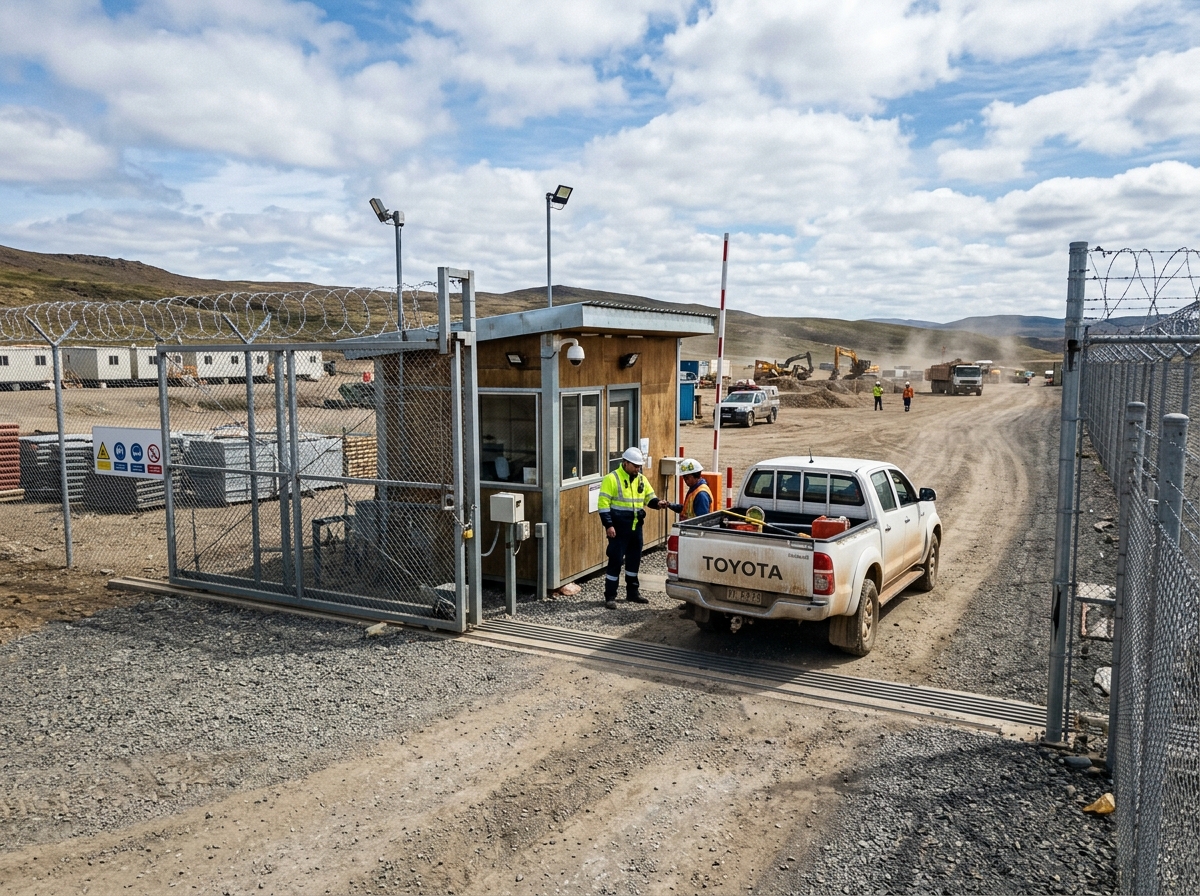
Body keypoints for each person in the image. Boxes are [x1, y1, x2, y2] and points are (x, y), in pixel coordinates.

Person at [597, 447, 671, 609]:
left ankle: (632, 593)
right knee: (615, 561)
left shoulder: (641, 480)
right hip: (618, 529)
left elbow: (649, 498)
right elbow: (603, 505)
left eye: (639, 466)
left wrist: (658, 503)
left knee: (634, 561)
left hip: (635, 528)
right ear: (625, 463)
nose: (638, 469)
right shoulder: (611, 479)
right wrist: (608, 525)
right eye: (635, 466)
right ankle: (610, 596)